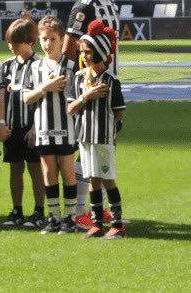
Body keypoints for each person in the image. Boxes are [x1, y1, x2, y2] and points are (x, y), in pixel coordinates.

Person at [64, 0, 121, 226]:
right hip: (91, 88)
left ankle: (96, 211)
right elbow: (69, 46)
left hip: (108, 84)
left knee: (102, 150)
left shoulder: (110, 4)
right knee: (84, 148)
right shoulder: (85, 6)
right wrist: (86, 76)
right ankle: (79, 211)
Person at [67, 21, 126, 239]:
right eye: (82, 52)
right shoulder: (78, 79)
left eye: (88, 51)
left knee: (107, 179)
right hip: (85, 137)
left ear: (100, 51)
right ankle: (97, 223)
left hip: (103, 138)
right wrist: (86, 96)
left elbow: (120, 113)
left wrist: (111, 130)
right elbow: (71, 109)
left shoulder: (111, 82)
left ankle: (118, 225)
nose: (85, 56)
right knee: (92, 179)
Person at [23, 16, 80, 234]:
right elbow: (26, 97)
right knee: (48, 174)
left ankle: (70, 219)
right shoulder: (35, 67)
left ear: (61, 39)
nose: (48, 44)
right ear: (39, 40)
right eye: (44, 39)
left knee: (67, 173)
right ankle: (54, 218)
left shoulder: (71, 66)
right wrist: (45, 87)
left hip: (65, 129)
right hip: (44, 130)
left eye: (53, 39)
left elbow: (75, 98)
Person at [0, 17, 44, 228]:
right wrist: (0, 122)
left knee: (35, 169)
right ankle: (17, 211)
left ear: (29, 41)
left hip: (32, 127)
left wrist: (36, 128)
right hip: (12, 126)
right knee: (15, 168)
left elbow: (43, 99)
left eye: (16, 42)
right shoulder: (7, 66)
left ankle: (39, 211)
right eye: (10, 42)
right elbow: (2, 96)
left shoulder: (39, 65)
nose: (11, 46)